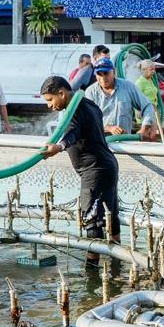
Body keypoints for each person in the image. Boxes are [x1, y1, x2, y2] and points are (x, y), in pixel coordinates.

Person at [39, 75, 119, 265]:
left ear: (62, 93)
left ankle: (91, 274)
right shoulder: (89, 104)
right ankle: (116, 267)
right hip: (107, 167)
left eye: (50, 100)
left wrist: (58, 147)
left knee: (92, 222)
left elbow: (72, 133)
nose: (49, 105)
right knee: (111, 219)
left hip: (95, 171)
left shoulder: (74, 110)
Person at [83, 56, 157, 140]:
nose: (103, 78)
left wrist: (145, 127)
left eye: (106, 73)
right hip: (99, 141)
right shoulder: (90, 92)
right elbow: (89, 121)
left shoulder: (127, 87)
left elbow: (147, 106)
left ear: (113, 72)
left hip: (125, 141)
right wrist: (108, 128)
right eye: (99, 74)